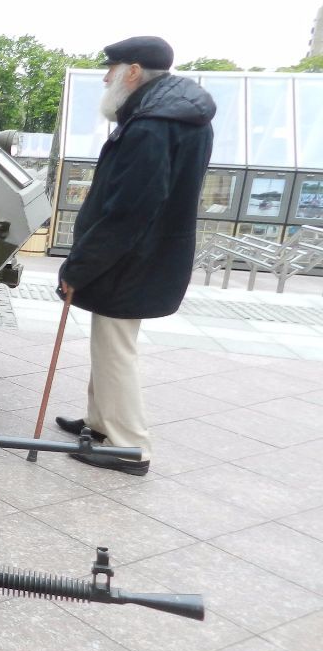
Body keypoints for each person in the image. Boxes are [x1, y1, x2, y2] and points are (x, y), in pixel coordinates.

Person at [56, 35, 215, 475]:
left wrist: (78, 266)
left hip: (131, 260)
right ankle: (101, 422)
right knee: (110, 343)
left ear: (133, 72)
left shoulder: (151, 125)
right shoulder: (177, 114)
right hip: (146, 257)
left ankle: (130, 447)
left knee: (116, 348)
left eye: (111, 68)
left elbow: (128, 212)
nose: (105, 77)